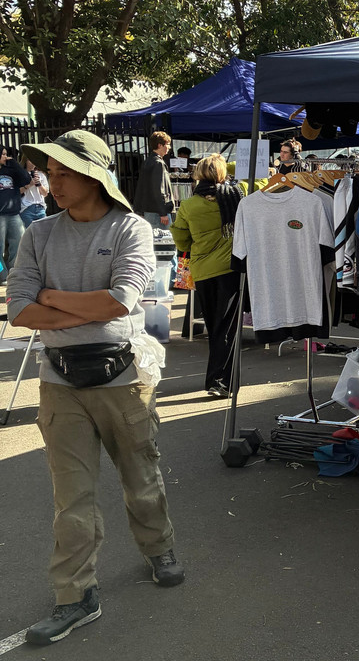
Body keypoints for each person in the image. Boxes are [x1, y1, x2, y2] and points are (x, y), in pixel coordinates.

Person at [7, 131, 184, 646]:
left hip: (123, 378)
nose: (54, 183)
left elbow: (121, 301)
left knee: (141, 477)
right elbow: (18, 310)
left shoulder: (131, 228)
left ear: (95, 176)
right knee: (71, 498)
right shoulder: (38, 233)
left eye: (65, 173)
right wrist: (80, 307)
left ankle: (159, 549)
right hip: (59, 380)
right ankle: (75, 595)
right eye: (50, 173)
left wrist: (50, 298)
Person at [170, 155, 246, 397]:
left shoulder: (189, 205)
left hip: (202, 270)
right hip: (230, 269)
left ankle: (217, 379)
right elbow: (262, 177)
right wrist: (225, 166)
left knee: (214, 326)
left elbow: (181, 239)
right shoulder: (238, 194)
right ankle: (220, 380)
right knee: (228, 327)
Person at [0, 143, 31, 282]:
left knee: (18, 244)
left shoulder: (11, 169)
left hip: (13, 214)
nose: (6, 157)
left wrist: (14, 164)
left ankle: (13, 272)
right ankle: (2, 275)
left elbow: (26, 179)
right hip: (0, 215)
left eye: (6, 154)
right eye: (3, 154)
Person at [132, 131, 175, 228]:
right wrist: (163, 212)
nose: (169, 147)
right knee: (164, 237)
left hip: (149, 211)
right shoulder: (158, 163)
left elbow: (141, 187)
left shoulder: (148, 161)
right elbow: (159, 189)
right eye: (167, 144)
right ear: (160, 145)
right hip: (158, 213)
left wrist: (139, 210)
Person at [19, 155, 50, 229]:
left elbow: (45, 193)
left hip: (40, 208)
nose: (32, 163)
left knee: (43, 232)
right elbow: (17, 192)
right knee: (29, 233)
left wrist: (39, 184)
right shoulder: (20, 175)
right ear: (25, 161)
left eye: (34, 160)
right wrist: (29, 185)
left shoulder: (41, 175)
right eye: (30, 160)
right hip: (26, 208)